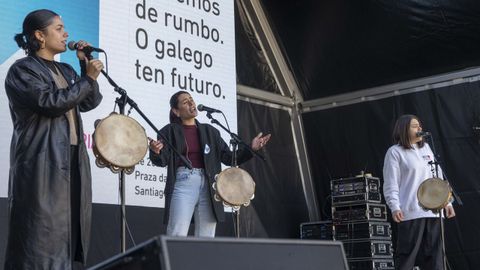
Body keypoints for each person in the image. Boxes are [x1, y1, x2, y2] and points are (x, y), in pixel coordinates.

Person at [4, 9, 104, 270]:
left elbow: (90, 101)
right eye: (59, 28)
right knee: (40, 241)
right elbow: (49, 103)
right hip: (42, 163)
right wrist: (87, 79)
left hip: (72, 159)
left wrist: (84, 67)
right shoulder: (22, 70)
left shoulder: (66, 69)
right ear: (39, 35)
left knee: (66, 235)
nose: (66, 33)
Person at [149, 91, 271, 237]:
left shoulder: (211, 131)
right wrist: (155, 151)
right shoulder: (169, 131)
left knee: (207, 236)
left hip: (210, 185)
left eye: (191, 100)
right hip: (183, 182)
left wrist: (251, 148)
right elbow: (162, 160)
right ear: (176, 111)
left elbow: (229, 158)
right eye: (185, 102)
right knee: (177, 233)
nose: (191, 103)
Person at [383, 114, 455, 270]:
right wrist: (394, 206)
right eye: (414, 126)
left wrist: (447, 202)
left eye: (420, 125)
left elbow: (438, 178)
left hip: (434, 210)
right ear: (403, 129)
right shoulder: (395, 152)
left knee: (436, 257)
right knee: (407, 255)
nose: (419, 128)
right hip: (411, 210)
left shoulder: (427, 149)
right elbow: (391, 182)